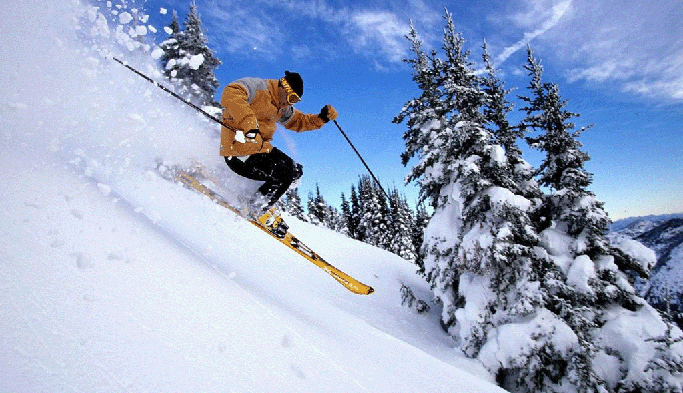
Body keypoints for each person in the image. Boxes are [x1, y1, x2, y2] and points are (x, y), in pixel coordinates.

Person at [220, 71, 337, 236]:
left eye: (295, 100)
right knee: (283, 173)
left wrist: (322, 118)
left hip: (259, 149)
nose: (291, 103)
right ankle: (255, 207)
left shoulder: (281, 107)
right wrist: (248, 122)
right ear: (283, 86)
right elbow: (231, 93)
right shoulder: (258, 87)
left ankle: (258, 198)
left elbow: (298, 121)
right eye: (291, 98)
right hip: (237, 150)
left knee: (295, 170)